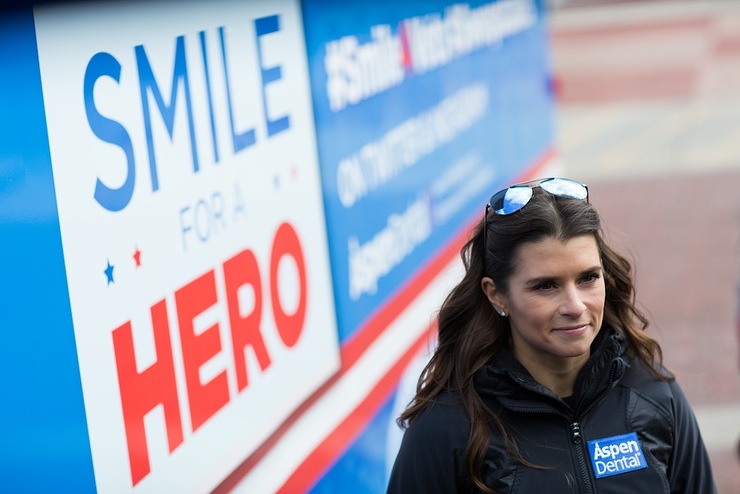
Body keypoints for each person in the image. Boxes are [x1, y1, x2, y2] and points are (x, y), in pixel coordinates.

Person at [387, 177, 716, 493]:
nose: (575, 306)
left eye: (588, 278)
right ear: (496, 295)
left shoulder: (655, 395)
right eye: (546, 286)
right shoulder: (449, 427)